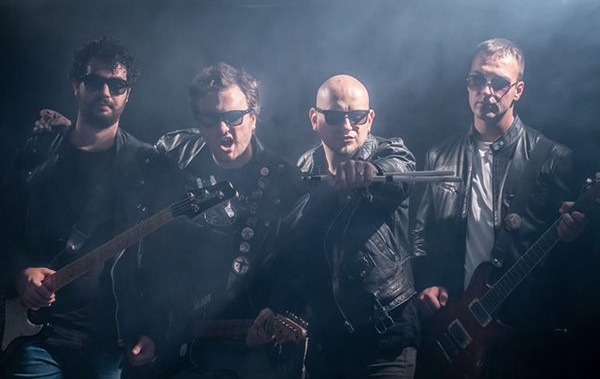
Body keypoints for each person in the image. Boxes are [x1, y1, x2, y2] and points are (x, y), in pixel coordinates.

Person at [412, 38, 587, 378]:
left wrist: (576, 232)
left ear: (518, 90)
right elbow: (419, 235)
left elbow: (573, 261)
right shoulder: (439, 156)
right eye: (477, 80)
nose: (486, 91)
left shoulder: (552, 157)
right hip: (454, 326)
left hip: (522, 333)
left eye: (499, 83)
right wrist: (427, 283)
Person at [0, 36, 165, 378]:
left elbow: (159, 254)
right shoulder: (37, 150)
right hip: (32, 335)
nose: (106, 92)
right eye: (94, 81)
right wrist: (19, 271)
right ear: (76, 85)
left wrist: (153, 327)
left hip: (106, 343)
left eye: (117, 85)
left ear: (128, 94)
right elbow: (5, 223)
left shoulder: (147, 164)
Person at [249, 74, 419, 379]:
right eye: (336, 117)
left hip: (384, 338)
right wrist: (276, 307)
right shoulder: (303, 171)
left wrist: (371, 173)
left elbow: (400, 173)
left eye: (357, 116)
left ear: (370, 119)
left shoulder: (389, 152)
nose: (347, 125)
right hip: (325, 344)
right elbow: (295, 254)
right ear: (315, 119)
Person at [148, 62, 307, 378]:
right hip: (179, 342)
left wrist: (276, 310)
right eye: (210, 119)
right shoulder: (177, 159)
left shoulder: (286, 183)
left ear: (253, 117)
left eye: (233, 117)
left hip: (249, 346)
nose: (223, 129)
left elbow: (298, 265)